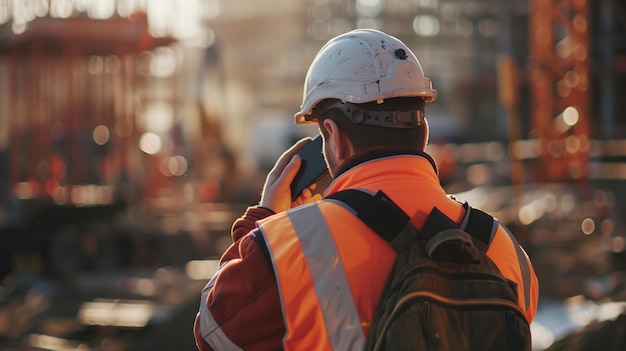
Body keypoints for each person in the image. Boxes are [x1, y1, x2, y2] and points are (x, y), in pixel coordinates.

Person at [193, 28, 539, 351]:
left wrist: (264, 220)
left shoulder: (288, 245)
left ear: (335, 136)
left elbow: (213, 333)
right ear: (424, 131)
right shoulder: (506, 250)